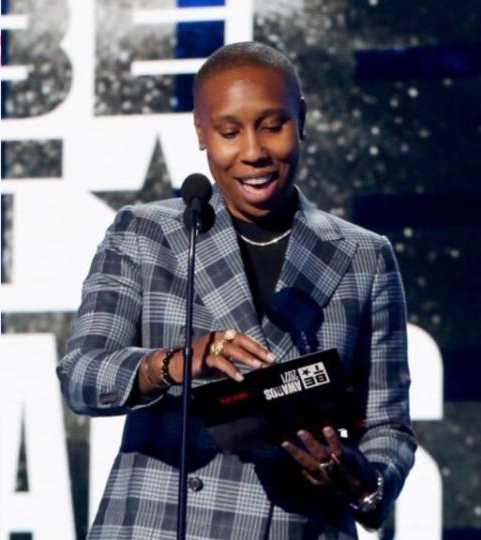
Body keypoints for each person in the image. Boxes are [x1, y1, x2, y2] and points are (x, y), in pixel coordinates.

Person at [57, 41, 416, 539]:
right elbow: (80, 376)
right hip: (162, 525)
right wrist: (176, 363)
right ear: (202, 133)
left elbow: (389, 426)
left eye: (273, 125)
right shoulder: (146, 233)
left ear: (302, 120)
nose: (253, 152)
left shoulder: (363, 256)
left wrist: (361, 480)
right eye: (229, 131)